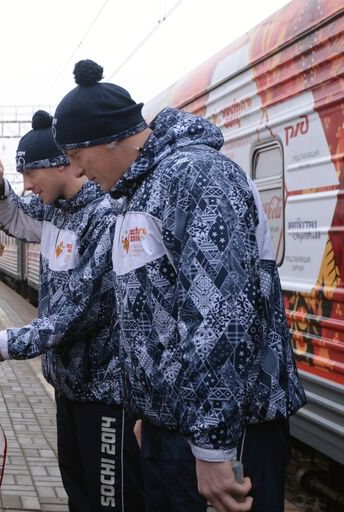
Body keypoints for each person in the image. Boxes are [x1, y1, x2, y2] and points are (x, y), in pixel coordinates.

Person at [53, 59, 306, 512]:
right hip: (170, 429)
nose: (77, 171)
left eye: (76, 156)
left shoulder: (197, 176)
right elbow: (151, 317)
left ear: (109, 138)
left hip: (226, 432)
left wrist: (213, 448)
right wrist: (147, 413)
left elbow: (220, 317)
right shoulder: (141, 191)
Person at [0, 110, 144, 511]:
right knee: (79, 495)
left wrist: (7, 343)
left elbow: (79, 310)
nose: (28, 186)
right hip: (70, 385)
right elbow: (13, 218)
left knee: (110, 499)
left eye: (31, 175)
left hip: (106, 392)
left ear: (61, 164)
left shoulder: (103, 217)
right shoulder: (56, 213)